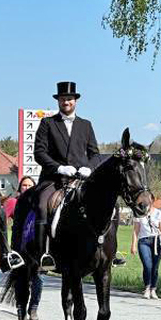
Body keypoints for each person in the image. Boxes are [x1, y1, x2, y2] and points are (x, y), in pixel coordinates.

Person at [25, 81, 99, 271]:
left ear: (75, 101)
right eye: (63, 99)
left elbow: (95, 153)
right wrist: (59, 168)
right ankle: (43, 254)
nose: (66, 102)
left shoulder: (86, 125)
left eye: (69, 99)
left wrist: (89, 168)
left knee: (105, 203)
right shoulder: (48, 123)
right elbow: (39, 153)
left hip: (80, 179)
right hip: (54, 179)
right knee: (42, 204)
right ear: (58, 101)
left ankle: (106, 252)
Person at [7, 175, 44, 320]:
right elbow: (4, 219)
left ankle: (33, 307)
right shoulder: (14, 203)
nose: (27, 188)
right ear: (19, 188)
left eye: (30, 186)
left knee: (38, 279)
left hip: (36, 248)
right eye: (24, 185)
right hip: (20, 248)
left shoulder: (39, 202)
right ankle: (20, 308)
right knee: (20, 280)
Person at [131, 196, 161, 299]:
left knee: (155, 267)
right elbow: (136, 230)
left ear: (152, 200)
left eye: (149, 199)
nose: (147, 201)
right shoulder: (139, 213)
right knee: (148, 265)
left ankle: (153, 289)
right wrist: (133, 245)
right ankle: (147, 288)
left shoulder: (158, 213)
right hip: (143, 241)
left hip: (157, 241)